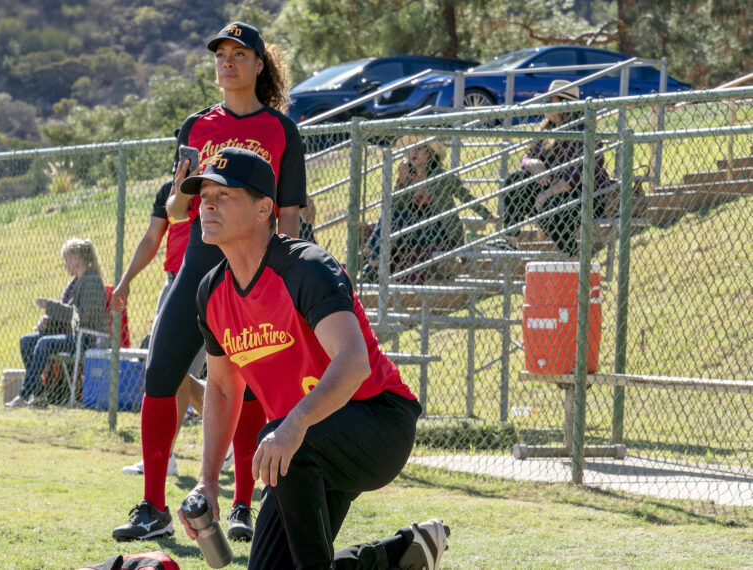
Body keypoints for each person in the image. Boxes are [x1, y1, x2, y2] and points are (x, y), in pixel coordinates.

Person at [178, 148, 449, 569]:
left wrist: (295, 425)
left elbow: (354, 362)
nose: (208, 203)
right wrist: (208, 481)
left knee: (284, 436)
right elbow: (221, 387)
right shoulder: (211, 292)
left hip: (377, 421)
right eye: (204, 193)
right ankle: (402, 553)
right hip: (297, 447)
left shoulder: (306, 267)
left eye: (224, 194)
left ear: (263, 208)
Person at [112, 21, 307, 544]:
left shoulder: (282, 130)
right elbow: (178, 209)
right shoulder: (195, 125)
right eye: (221, 54)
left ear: (259, 64)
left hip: (256, 264)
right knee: (160, 369)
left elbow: (287, 213)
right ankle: (153, 505)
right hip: (200, 261)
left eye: (240, 53)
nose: (228, 62)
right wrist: (178, 193)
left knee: (248, 382)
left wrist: (279, 273)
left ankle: (242, 503)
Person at [110, 178, 230, 477]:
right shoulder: (170, 192)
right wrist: (125, 282)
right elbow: (151, 238)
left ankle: (204, 444)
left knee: (181, 374)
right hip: (173, 284)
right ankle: (175, 453)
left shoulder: (214, 189)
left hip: (209, 282)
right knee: (166, 372)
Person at [501, 80, 613, 256]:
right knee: (515, 180)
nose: (545, 105)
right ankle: (510, 240)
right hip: (555, 195)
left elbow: (577, 175)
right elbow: (527, 156)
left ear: (563, 105)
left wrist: (547, 194)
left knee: (551, 208)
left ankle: (573, 256)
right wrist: (532, 164)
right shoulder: (549, 128)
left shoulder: (583, 129)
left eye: (549, 100)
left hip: (586, 195)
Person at [362, 140, 492, 283]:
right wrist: (401, 181)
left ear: (430, 154)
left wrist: (488, 215)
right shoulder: (409, 179)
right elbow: (394, 206)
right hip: (413, 230)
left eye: (419, 149)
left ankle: (370, 255)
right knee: (394, 212)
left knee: (397, 214)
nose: (414, 153)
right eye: (412, 149)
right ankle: (372, 258)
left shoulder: (442, 177)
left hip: (439, 230)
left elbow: (466, 197)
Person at [8, 238, 107, 407]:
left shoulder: (92, 281)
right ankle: (39, 395)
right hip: (68, 336)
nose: (65, 265)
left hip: (86, 338)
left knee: (44, 344)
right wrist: (47, 320)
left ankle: (24, 395)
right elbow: (64, 315)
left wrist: (50, 306)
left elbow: (82, 318)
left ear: (76, 258)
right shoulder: (72, 284)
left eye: (66, 260)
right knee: (26, 341)